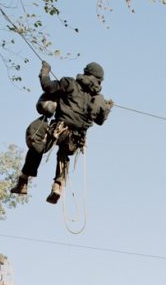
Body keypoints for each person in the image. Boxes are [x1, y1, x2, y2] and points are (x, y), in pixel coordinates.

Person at [11, 60, 113, 204]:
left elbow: (47, 87)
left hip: (59, 129)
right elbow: (100, 121)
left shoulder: (69, 83)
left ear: (85, 72)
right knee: (64, 155)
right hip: (76, 138)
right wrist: (108, 108)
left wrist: (44, 72)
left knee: (38, 146)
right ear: (99, 80)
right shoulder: (97, 99)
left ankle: (23, 181)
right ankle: (58, 186)